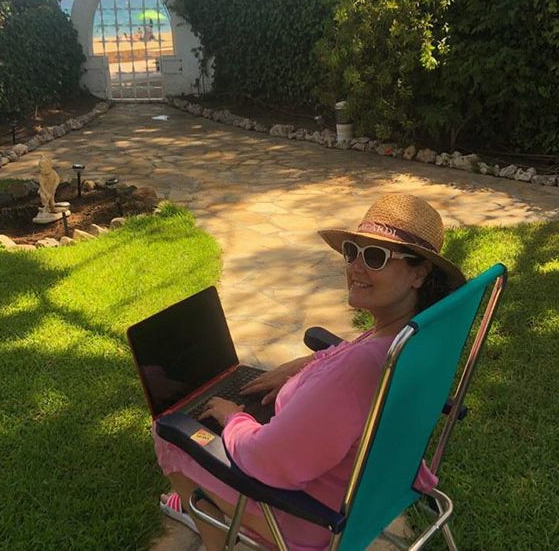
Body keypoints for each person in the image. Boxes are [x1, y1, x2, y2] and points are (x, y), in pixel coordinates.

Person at [155, 193, 466, 551]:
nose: (356, 268)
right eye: (352, 252)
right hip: (376, 490)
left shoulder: (355, 372)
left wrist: (233, 419)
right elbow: (350, 366)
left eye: (375, 257)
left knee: (171, 430)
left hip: (309, 517)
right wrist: (303, 366)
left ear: (419, 273)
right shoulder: (412, 339)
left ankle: (206, 515)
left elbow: (265, 459)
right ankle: (202, 505)